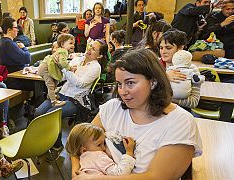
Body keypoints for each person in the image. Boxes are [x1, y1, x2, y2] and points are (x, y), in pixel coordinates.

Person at [71, 48, 202, 179]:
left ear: (153, 82)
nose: (122, 91)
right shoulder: (112, 108)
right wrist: (77, 171)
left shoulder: (180, 122)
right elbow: (79, 142)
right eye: (119, 84)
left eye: (130, 83)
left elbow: (157, 177)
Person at [34, 39, 108, 162]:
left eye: (93, 49)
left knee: (50, 114)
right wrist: (54, 67)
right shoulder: (77, 60)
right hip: (62, 93)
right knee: (38, 113)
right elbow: (62, 77)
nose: (89, 49)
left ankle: (57, 146)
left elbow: (80, 84)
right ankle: (44, 143)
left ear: (99, 55)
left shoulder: (96, 67)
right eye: (89, 46)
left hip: (76, 100)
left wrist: (64, 69)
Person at [66, 123, 136, 175]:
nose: (103, 148)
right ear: (84, 150)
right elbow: (120, 173)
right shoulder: (98, 156)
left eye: (104, 143)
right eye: (99, 145)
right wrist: (129, 152)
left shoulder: (84, 157)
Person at [160, 29, 202, 109]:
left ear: (180, 48)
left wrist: (164, 98)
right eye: (161, 48)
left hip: (180, 113)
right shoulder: (155, 65)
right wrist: (164, 77)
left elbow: (194, 102)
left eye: (168, 48)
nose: (163, 52)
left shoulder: (192, 70)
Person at [38, 34, 75, 107]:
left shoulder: (61, 51)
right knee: (51, 85)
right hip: (46, 68)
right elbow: (62, 62)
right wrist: (70, 68)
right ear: (62, 44)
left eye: (73, 43)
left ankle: (51, 96)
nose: (73, 45)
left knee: (54, 82)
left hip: (46, 66)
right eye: (70, 43)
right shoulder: (63, 51)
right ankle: (54, 102)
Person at [0, 17, 32, 90]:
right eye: (15, 27)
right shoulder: (8, 43)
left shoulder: (3, 41)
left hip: (15, 76)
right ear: (9, 30)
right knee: (40, 84)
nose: (18, 29)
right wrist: (23, 48)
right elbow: (27, 58)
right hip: (14, 80)